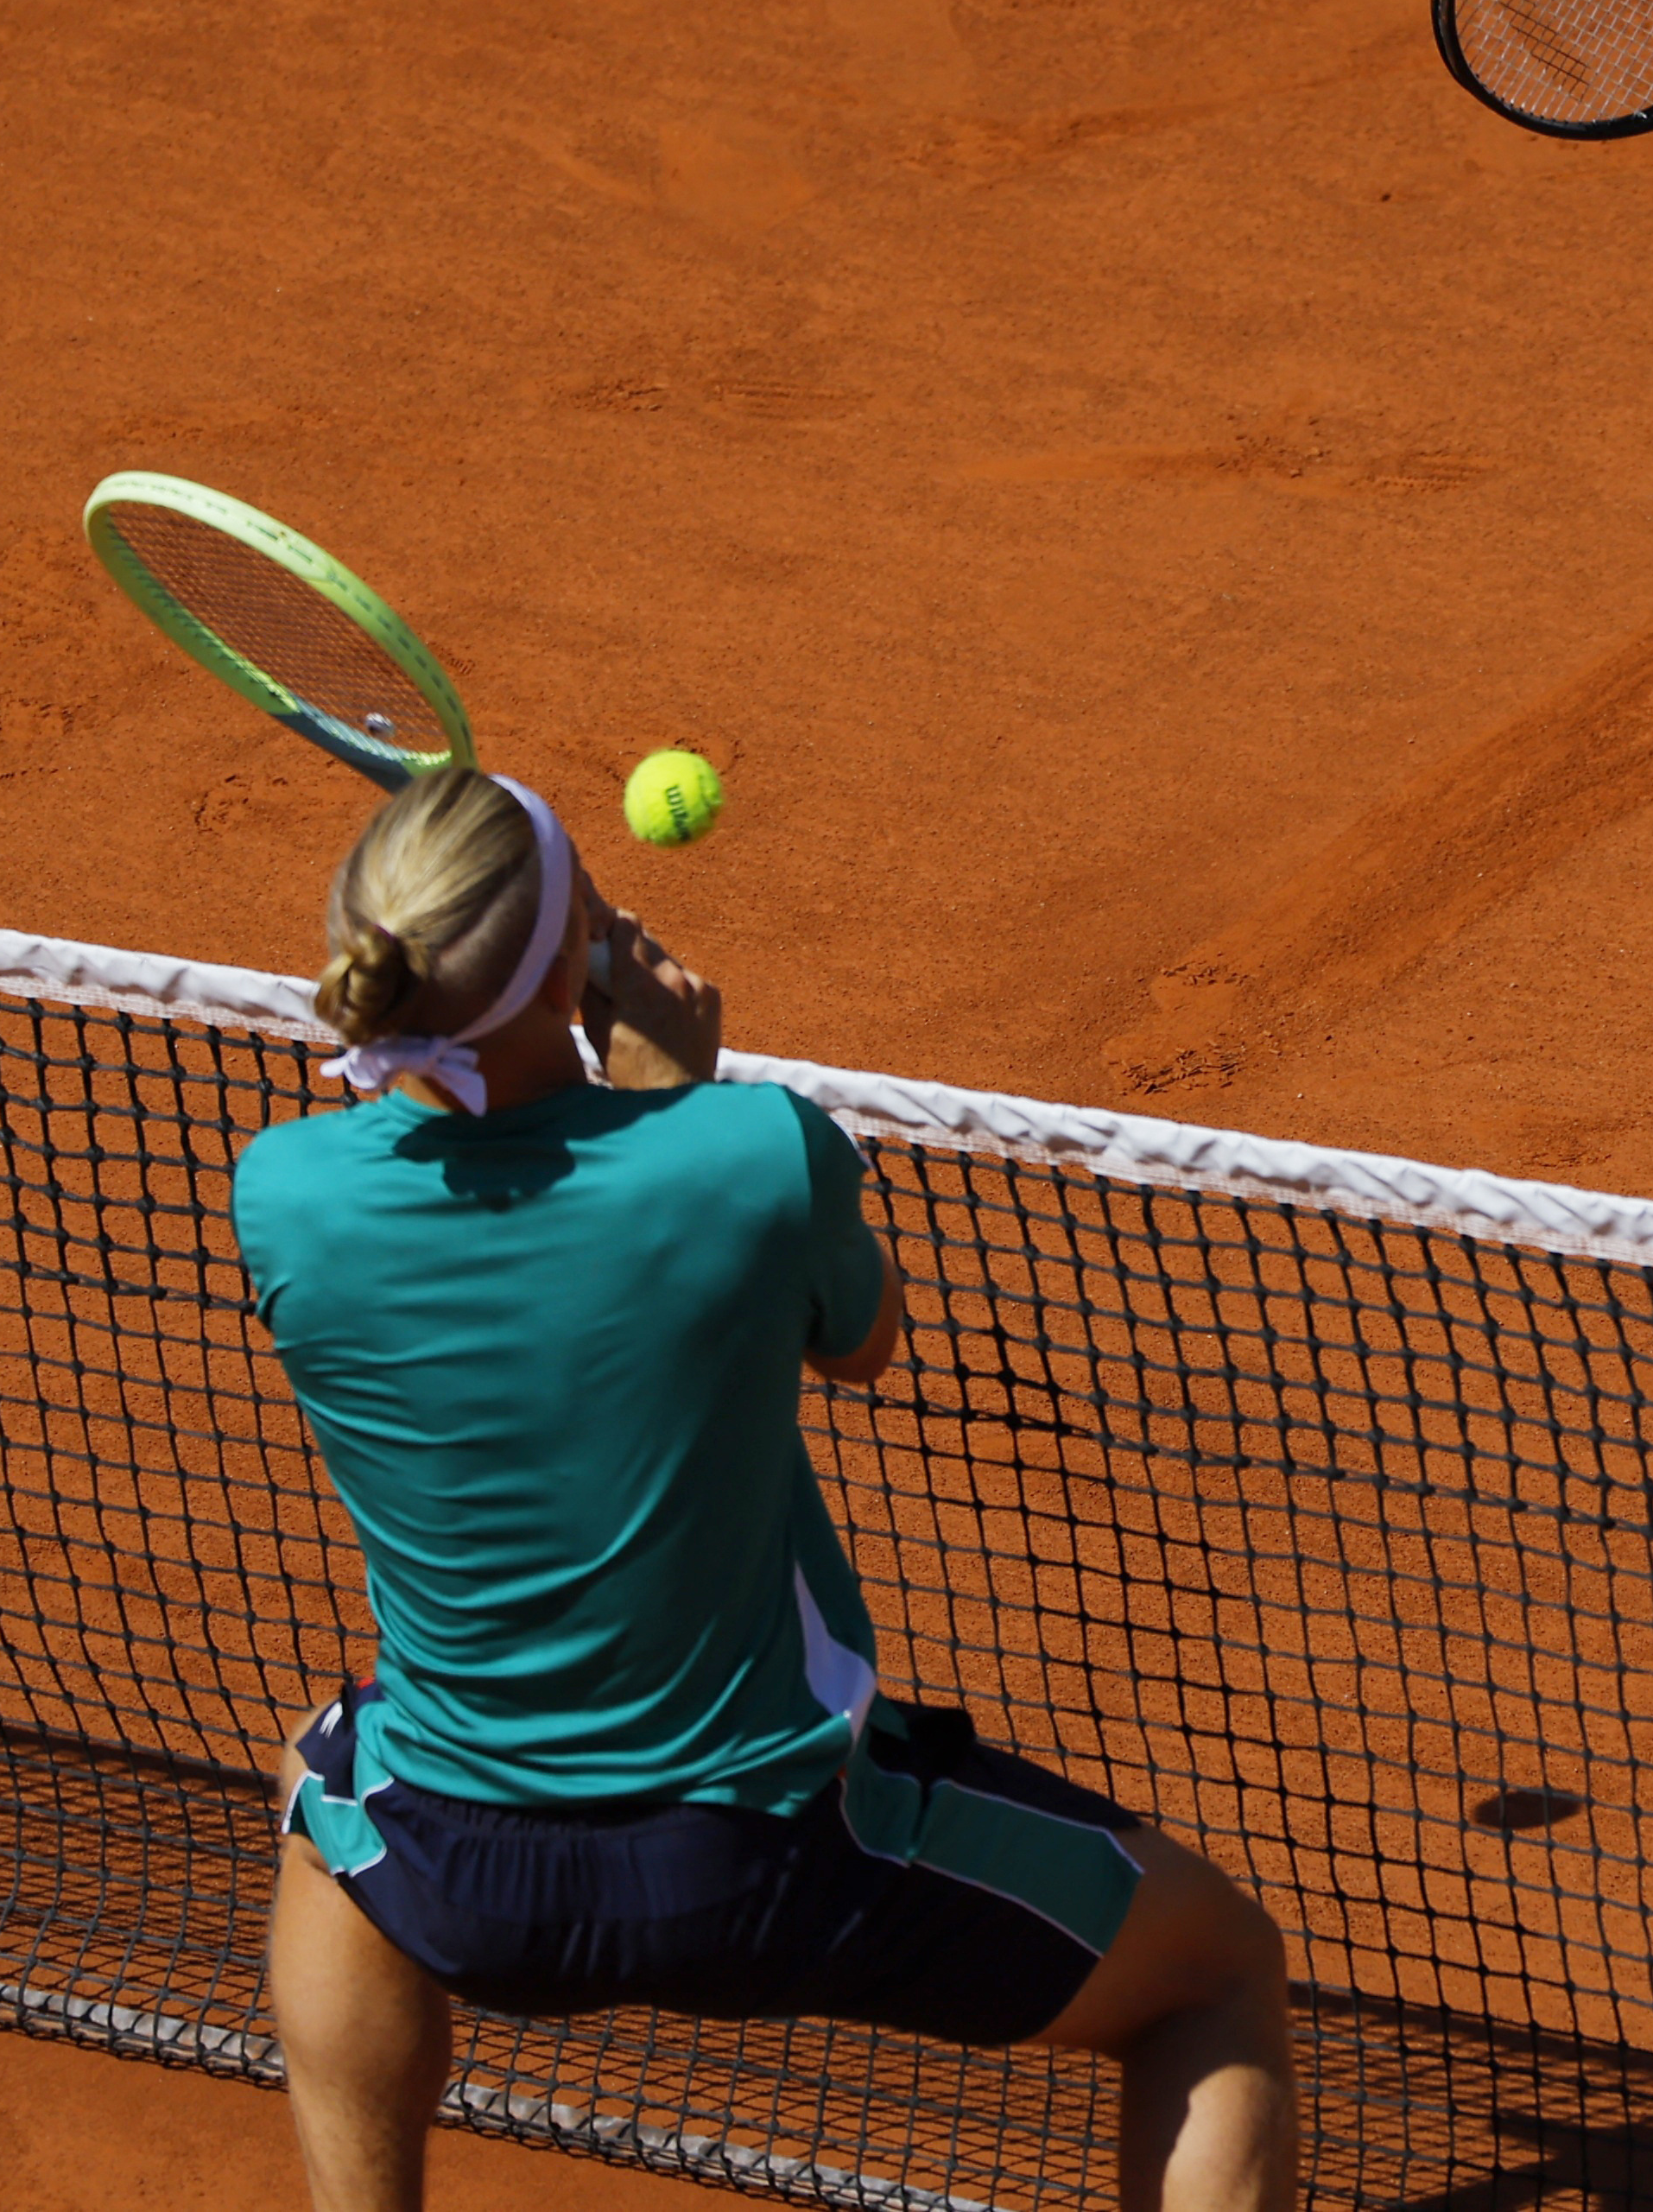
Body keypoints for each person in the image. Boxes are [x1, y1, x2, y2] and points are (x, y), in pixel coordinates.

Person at [229, 765, 1294, 2212]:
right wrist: (683, 1106)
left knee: (325, 1782)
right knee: (1221, 1972)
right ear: (564, 965)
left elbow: (522, 1252)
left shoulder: (283, 1192)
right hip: (765, 1862)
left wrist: (650, 1120)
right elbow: (861, 1343)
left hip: (464, 1874)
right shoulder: (749, 1156)